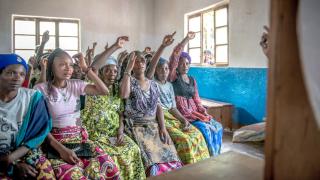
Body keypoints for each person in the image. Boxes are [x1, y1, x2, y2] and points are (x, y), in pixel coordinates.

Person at [34, 48, 120, 179]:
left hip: (79, 139)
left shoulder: (76, 85)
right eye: (62, 65)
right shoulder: (41, 89)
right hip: (54, 142)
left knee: (108, 168)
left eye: (71, 65)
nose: (68, 68)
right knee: (73, 175)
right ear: (51, 67)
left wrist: (85, 68)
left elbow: (104, 91)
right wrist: (61, 149)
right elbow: (39, 124)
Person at [82, 56, 146, 180]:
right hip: (95, 135)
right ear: (100, 72)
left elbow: (121, 113)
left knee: (134, 149)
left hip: (113, 134)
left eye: (115, 71)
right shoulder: (90, 87)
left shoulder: (117, 88)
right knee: (110, 156)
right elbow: (93, 67)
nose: (112, 74)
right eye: (108, 70)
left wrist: (120, 132)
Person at [120, 51, 182, 177]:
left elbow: (158, 106)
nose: (140, 63)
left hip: (154, 127)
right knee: (152, 164)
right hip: (136, 128)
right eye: (135, 61)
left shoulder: (153, 83)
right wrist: (128, 70)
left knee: (172, 159)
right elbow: (124, 95)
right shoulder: (129, 81)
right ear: (130, 64)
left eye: (142, 60)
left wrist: (163, 128)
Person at [168, 32, 223, 156]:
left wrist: (203, 111)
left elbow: (197, 99)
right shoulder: (173, 77)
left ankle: (216, 153)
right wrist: (186, 39)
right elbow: (175, 55)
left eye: (187, 63)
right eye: (181, 63)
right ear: (176, 65)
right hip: (183, 114)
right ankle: (210, 156)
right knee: (205, 129)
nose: (185, 66)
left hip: (195, 113)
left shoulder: (192, 79)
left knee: (217, 127)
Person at [0, 54, 55, 179]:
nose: (17, 78)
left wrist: (11, 158)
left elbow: (40, 134)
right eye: (11, 73)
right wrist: (12, 166)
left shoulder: (33, 98)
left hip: (26, 153)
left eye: (21, 74)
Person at [154, 57, 210, 164]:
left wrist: (183, 120)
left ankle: (202, 164)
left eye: (166, 69)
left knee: (197, 134)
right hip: (160, 117)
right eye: (160, 69)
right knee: (185, 139)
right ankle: (188, 166)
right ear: (155, 70)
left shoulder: (170, 86)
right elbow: (158, 108)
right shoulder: (153, 84)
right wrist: (163, 127)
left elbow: (173, 107)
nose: (164, 71)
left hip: (172, 115)